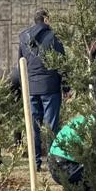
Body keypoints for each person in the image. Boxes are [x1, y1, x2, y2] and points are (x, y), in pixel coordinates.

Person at [17, 10, 64, 169]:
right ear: (45, 20)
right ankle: (52, 164)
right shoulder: (54, 36)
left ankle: (35, 162)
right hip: (50, 87)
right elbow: (61, 63)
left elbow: (21, 63)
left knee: (33, 127)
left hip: (31, 87)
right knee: (51, 127)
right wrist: (66, 87)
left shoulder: (23, 37)